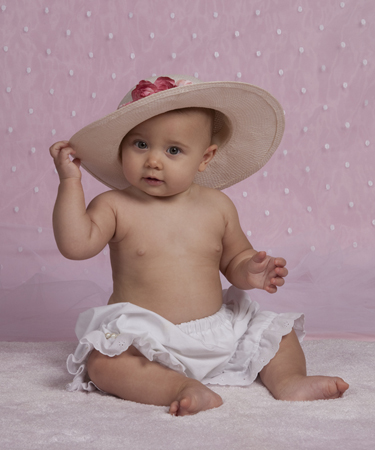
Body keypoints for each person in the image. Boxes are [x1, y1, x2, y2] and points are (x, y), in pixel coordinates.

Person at [50, 75, 349, 416]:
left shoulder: (217, 206)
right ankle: (180, 387)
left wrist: (252, 270)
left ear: (205, 158)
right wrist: (71, 183)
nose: (153, 161)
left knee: (277, 332)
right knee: (103, 363)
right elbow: (75, 245)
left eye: (173, 150)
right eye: (140, 144)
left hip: (218, 329)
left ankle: (289, 380)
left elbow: (235, 258)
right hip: (149, 340)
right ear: (121, 148)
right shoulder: (114, 206)